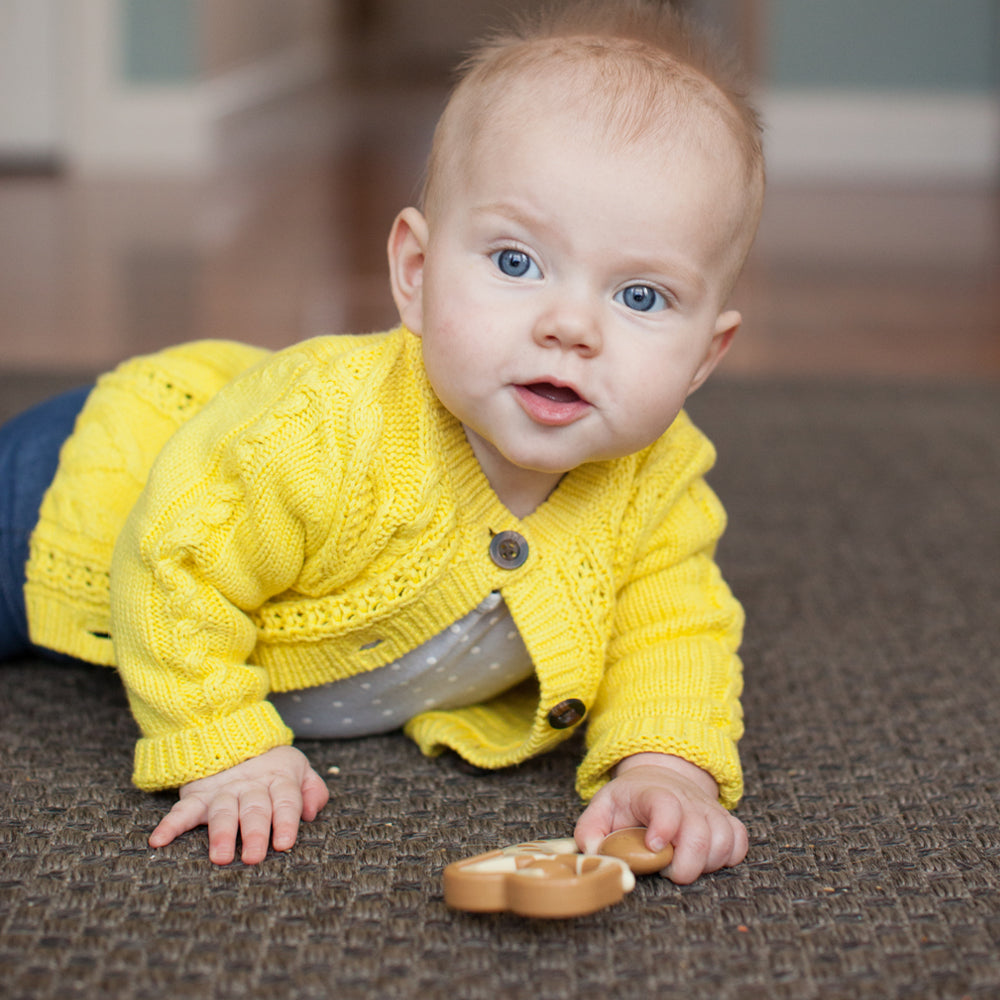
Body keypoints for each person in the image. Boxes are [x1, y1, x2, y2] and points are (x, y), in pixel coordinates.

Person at [0, 0, 765, 885]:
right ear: (415, 273)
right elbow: (176, 559)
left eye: (640, 297)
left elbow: (675, 631)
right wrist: (223, 746)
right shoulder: (321, 431)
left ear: (706, 355)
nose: (571, 326)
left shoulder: (658, 483)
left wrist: (667, 764)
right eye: (517, 262)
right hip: (82, 494)